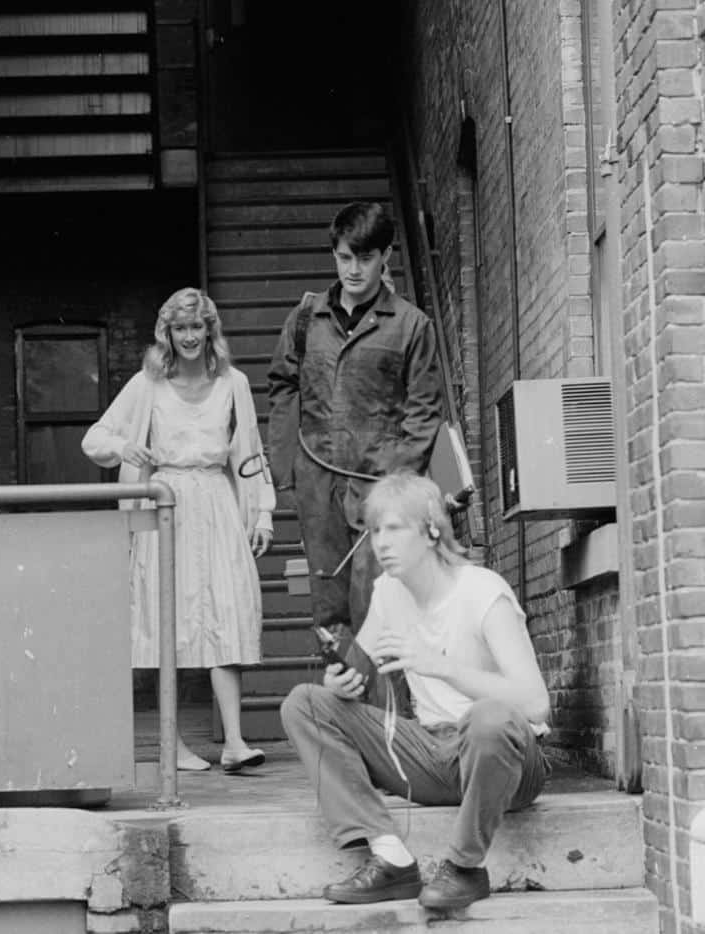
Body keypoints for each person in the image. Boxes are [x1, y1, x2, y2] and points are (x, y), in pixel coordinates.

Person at [280, 472, 550, 910]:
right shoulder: (388, 590)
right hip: (432, 755)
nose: (380, 542)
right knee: (305, 704)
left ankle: (464, 867)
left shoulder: (483, 592)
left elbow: (536, 704)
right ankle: (391, 858)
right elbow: (357, 670)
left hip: (507, 761)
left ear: (430, 530)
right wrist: (340, 680)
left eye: (394, 528)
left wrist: (441, 667)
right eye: (374, 530)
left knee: (490, 716)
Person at [82, 288, 275, 773]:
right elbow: (95, 439)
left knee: (224, 612)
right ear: (167, 333)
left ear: (211, 330)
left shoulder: (234, 383)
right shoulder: (149, 385)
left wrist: (264, 513)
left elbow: (249, 455)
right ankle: (175, 744)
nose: (189, 337)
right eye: (180, 328)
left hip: (216, 502)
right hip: (166, 504)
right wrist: (129, 448)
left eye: (197, 327)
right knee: (171, 617)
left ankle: (233, 741)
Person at [267, 201, 442, 635]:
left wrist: (397, 478)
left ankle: (388, 704)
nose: (354, 270)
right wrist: (286, 467)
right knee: (329, 611)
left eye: (365, 258)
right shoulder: (306, 319)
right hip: (319, 484)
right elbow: (283, 386)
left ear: (386, 256)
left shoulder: (411, 326)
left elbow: (424, 411)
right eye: (345, 257)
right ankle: (339, 701)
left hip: (380, 486)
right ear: (335, 255)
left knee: (381, 604)